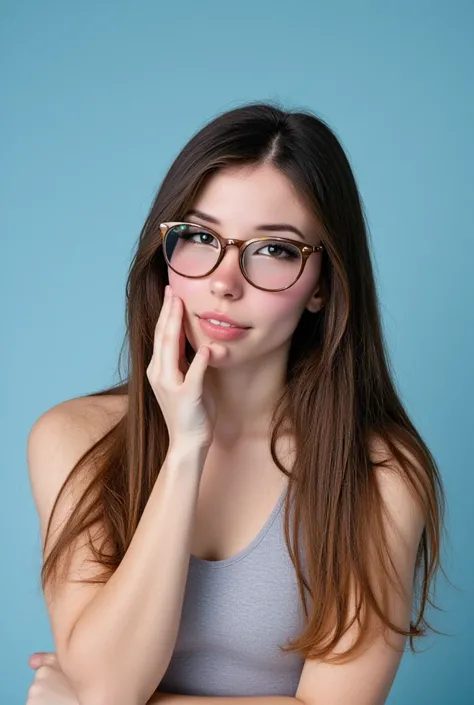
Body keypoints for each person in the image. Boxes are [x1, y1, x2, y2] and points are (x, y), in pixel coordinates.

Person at [26, 101, 447, 705]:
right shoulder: (73, 439)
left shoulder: (379, 474)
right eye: (200, 237)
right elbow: (109, 682)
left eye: (274, 250)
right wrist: (185, 448)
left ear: (323, 286)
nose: (226, 280)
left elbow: (100, 698)